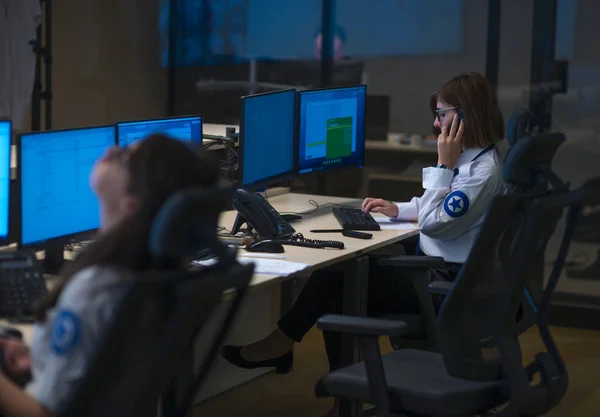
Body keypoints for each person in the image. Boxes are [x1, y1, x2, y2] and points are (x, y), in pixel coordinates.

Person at [221, 72, 508, 417]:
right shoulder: (476, 158)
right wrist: (398, 209)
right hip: (442, 270)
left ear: (466, 116)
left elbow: (435, 220)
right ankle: (310, 369)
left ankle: (327, 386)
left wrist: (442, 165)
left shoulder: (479, 173)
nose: (435, 123)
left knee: (340, 279)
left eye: (442, 113)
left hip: (443, 285)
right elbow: (437, 207)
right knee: (342, 272)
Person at [0, 134, 218, 417]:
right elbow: (99, 368)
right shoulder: (155, 275)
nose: (113, 149)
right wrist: (38, 357)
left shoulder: (95, 289)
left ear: (132, 205)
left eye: (125, 157)